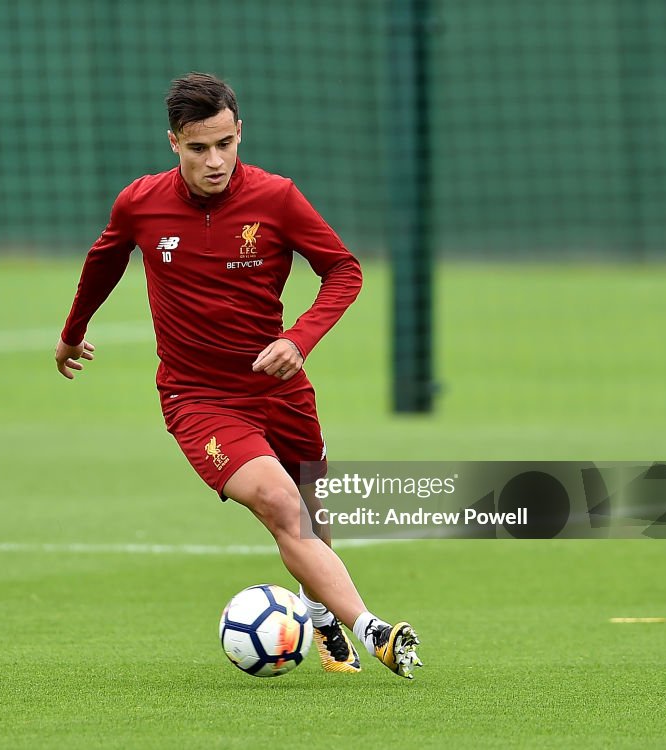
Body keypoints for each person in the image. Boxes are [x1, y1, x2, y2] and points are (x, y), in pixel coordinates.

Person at [55, 72, 421, 678]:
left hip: (280, 390)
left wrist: (297, 339)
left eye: (225, 143)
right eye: (199, 148)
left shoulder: (277, 198)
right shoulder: (140, 203)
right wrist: (72, 332)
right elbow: (103, 262)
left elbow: (344, 271)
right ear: (173, 142)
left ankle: (321, 616)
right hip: (199, 398)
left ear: (240, 132)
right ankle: (372, 630)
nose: (215, 160)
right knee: (281, 504)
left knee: (308, 513)